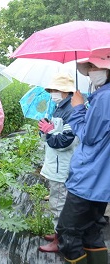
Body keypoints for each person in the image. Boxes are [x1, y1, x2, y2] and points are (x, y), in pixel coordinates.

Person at [56, 58, 110, 264]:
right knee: (91, 231)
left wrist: (78, 108)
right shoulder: (102, 96)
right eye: (90, 67)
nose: (91, 71)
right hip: (101, 180)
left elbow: (89, 137)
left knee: (67, 233)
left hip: (88, 180)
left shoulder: (105, 97)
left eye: (97, 67)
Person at [37, 73, 79, 253]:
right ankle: (57, 233)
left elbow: (65, 141)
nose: (53, 93)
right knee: (57, 200)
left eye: (55, 90)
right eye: (51, 90)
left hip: (62, 165)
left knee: (59, 202)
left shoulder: (71, 110)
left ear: (65, 91)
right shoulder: (58, 108)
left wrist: (49, 133)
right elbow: (54, 134)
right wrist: (46, 128)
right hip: (55, 164)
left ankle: (60, 240)